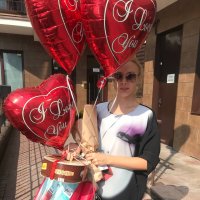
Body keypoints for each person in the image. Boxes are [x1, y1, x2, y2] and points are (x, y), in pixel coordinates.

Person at [85, 58, 160, 200]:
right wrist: (77, 148)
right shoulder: (98, 110)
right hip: (95, 188)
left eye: (130, 76)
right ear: (113, 80)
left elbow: (148, 161)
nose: (124, 81)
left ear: (139, 79)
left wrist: (107, 159)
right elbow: (88, 143)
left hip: (127, 191)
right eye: (119, 76)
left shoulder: (146, 116)